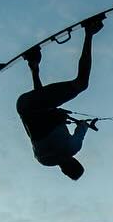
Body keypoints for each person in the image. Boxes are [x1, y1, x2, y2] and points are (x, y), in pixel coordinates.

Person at [17, 16, 103, 180]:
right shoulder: (43, 160)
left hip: (35, 108)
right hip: (23, 105)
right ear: (63, 171)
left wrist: (83, 124)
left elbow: (81, 127)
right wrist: (60, 118)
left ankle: (90, 32)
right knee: (43, 106)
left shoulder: (73, 148)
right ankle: (34, 65)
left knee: (82, 83)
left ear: (75, 160)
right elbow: (38, 124)